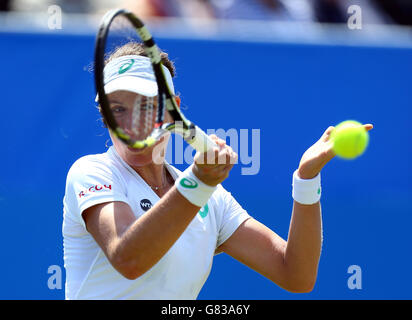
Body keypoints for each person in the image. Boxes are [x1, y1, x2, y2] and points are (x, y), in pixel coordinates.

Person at [62, 42, 373, 300]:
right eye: (118, 109)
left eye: (147, 106)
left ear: (174, 108)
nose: (130, 125)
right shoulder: (92, 172)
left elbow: (296, 274)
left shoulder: (212, 200)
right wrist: (198, 182)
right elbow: (128, 258)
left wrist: (306, 179)